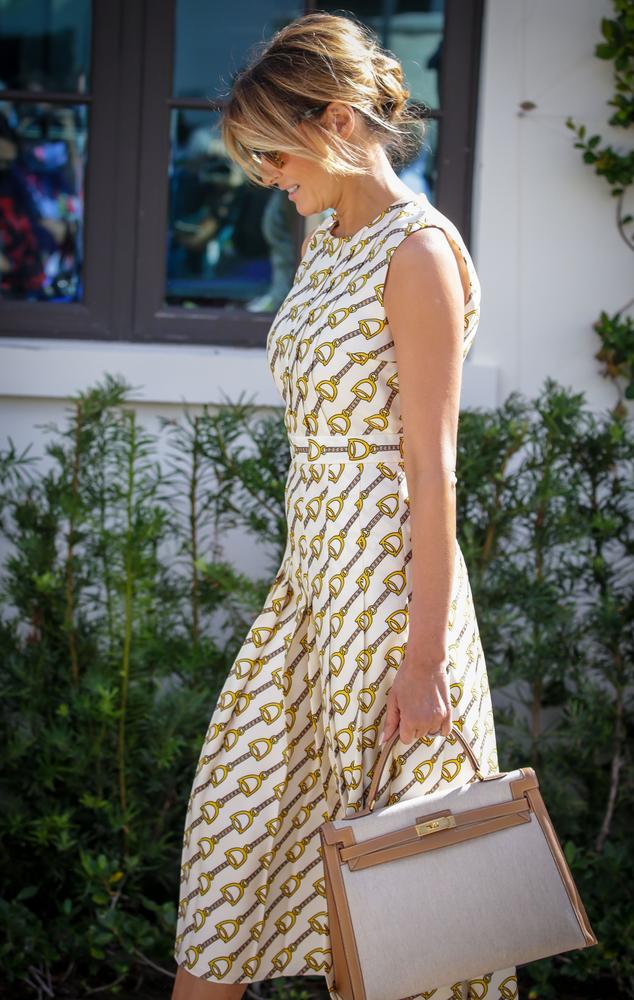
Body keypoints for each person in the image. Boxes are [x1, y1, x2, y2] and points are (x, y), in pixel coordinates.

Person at [172, 12, 517, 1000]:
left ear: (330, 119)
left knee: (398, 926)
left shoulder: (417, 253)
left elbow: (432, 465)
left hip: (388, 619)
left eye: (272, 155)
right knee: (227, 853)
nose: (267, 180)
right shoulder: (326, 240)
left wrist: (420, 665)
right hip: (310, 600)